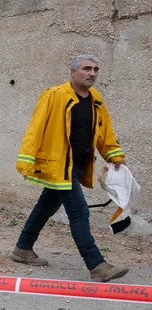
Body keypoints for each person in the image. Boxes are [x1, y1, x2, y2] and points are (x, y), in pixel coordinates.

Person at [12, 54, 128, 282]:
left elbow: (105, 131)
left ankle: (22, 248)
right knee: (79, 212)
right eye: (86, 68)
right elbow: (35, 128)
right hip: (58, 167)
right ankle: (97, 265)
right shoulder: (54, 95)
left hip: (78, 166)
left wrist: (115, 156)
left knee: (46, 206)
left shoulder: (95, 98)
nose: (92, 73)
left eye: (95, 69)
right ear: (73, 72)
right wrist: (26, 162)